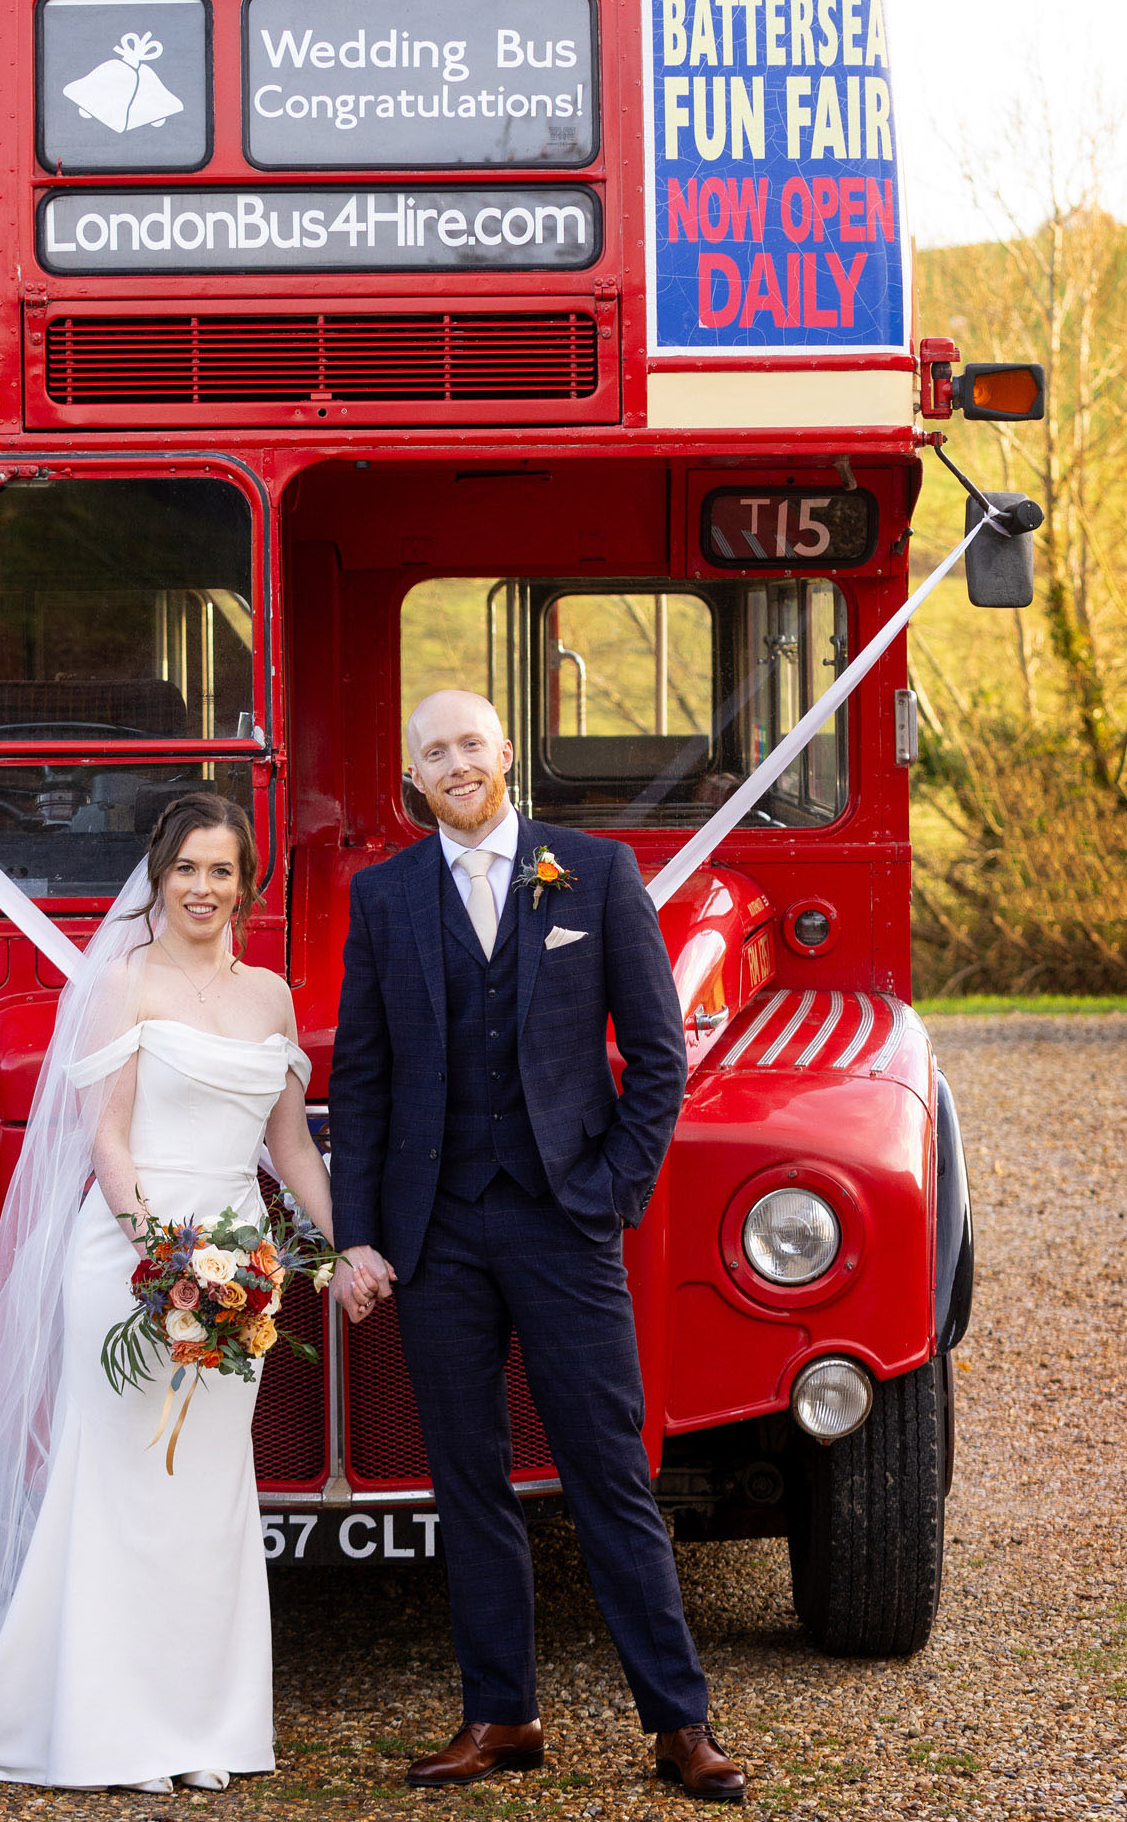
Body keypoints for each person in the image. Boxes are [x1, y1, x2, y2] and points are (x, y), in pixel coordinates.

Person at [328, 690, 744, 1805]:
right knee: (467, 1479)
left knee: (608, 1471)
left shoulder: (595, 872)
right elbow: (361, 1081)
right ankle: (501, 1714)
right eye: (434, 752)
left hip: (565, 1218)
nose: (456, 764)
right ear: (413, 776)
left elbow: (658, 1060)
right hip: (437, 1231)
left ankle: (680, 1721)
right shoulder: (384, 896)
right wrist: (361, 1230)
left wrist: (611, 1192)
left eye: (471, 743)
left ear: (506, 751)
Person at [0, 790, 365, 1792]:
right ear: (159, 878)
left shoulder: (270, 997)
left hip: (242, 1267)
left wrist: (344, 1249)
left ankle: (201, 1727)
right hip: (132, 1257)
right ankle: (108, 1727)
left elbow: (290, 1142)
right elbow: (108, 1140)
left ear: (245, 883)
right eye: (188, 869)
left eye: (223, 870)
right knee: (124, 1484)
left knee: (207, 1494)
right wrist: (157, 1261)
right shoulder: (122, 982)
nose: (205, 887)